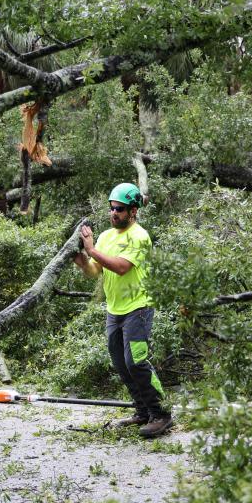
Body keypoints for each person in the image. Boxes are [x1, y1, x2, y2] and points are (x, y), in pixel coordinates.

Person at [74, 183, 172, 438]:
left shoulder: (139, 237)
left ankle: (161, 414)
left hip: (138, 307)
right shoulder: (106, 236)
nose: (113, 213)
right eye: (111, 208)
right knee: (120, 363)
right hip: (114, 310)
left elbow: (121, 267)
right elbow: (95, 271)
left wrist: (92, 249)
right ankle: (142, 411)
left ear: (133, 211)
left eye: (119, 209)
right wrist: (82, 259)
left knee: (136, 361)